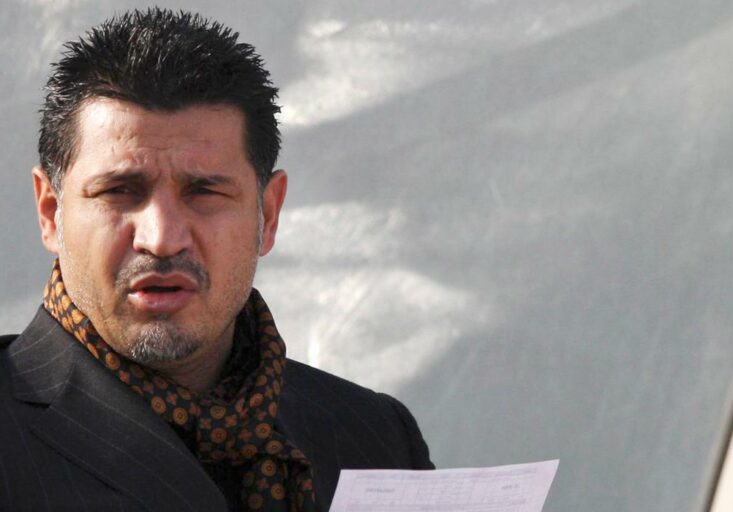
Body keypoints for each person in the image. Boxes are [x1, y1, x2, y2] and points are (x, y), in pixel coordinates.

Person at [0, 8, 432, 512]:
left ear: (268, 215)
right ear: (51, 211)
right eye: (119, 191)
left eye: (204, 192)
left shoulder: (374, 437)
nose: (162, 239)